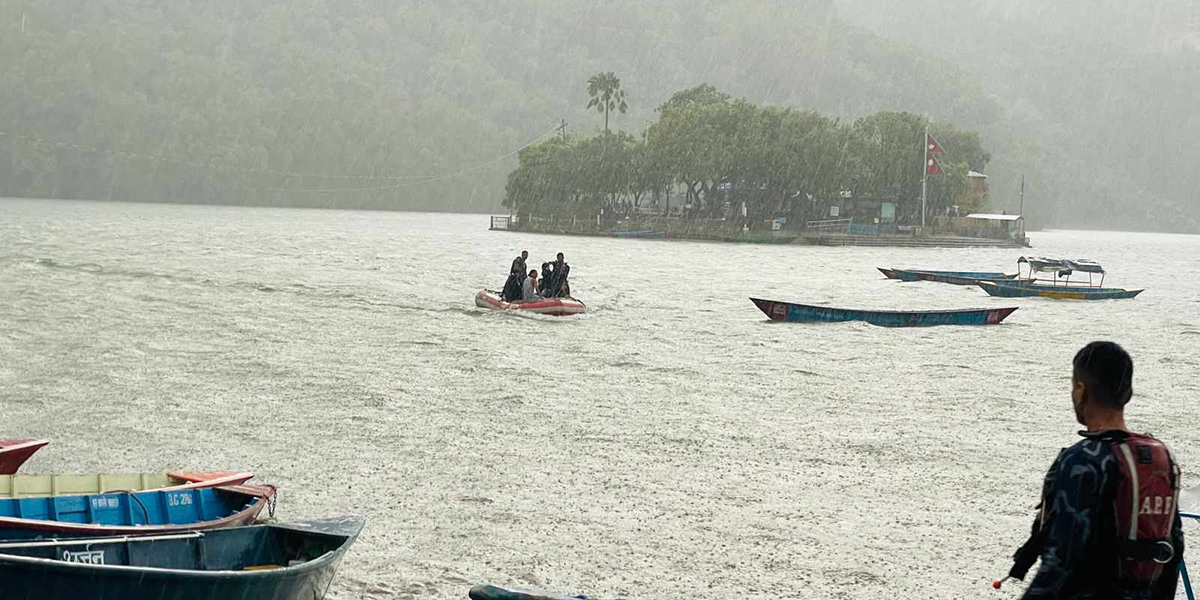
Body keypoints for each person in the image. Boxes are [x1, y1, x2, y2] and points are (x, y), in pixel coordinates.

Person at [1000, 341, 1182, 600]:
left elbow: (1060, 564)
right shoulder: (1161, 458)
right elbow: (1173, 551)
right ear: (1128, 394)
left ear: (1080, 390)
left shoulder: (1083, 460)